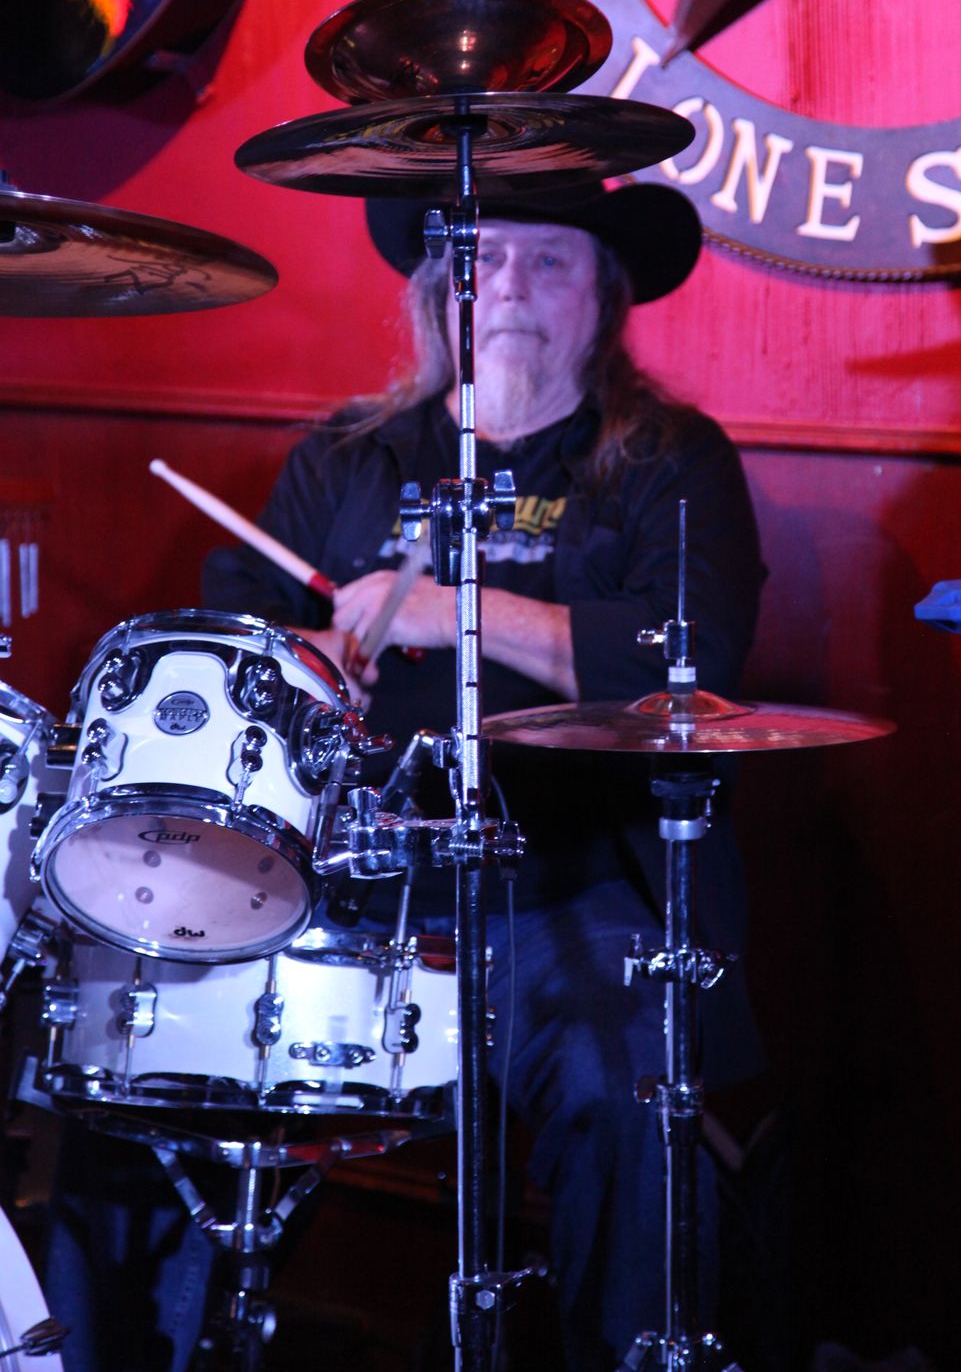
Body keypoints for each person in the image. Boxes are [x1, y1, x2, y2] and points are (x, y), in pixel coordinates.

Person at [200, 180, 767, 1370]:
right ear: (435, 288)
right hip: (349, 887)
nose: (507, 288)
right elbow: (232, 647)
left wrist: (450, 610)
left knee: (631, 1098)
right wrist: (315, 660)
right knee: (148, 1055)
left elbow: (694, 658)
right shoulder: (349, 456)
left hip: (573, 886)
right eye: (482, 257)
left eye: (547, 261)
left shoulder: (667, 461)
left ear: (603, 293)